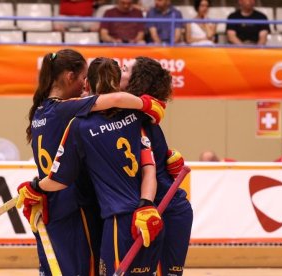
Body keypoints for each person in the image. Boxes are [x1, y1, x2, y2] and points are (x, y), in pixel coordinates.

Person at [15, 49, 166, 275]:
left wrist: (37, 186)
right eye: (82, 79)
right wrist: (146, 104)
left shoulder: (39, 111)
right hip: (75, 205)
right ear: (69, 77)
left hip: (48, 203)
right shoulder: (71, 112)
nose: (83, 87)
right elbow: (113, 99)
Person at [123, 56, 193, 276]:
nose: (119, 71)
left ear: (137, 80)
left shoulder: (142, 117)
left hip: (167, 210)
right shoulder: (128, 115)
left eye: (125, 69)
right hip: (147, 209)